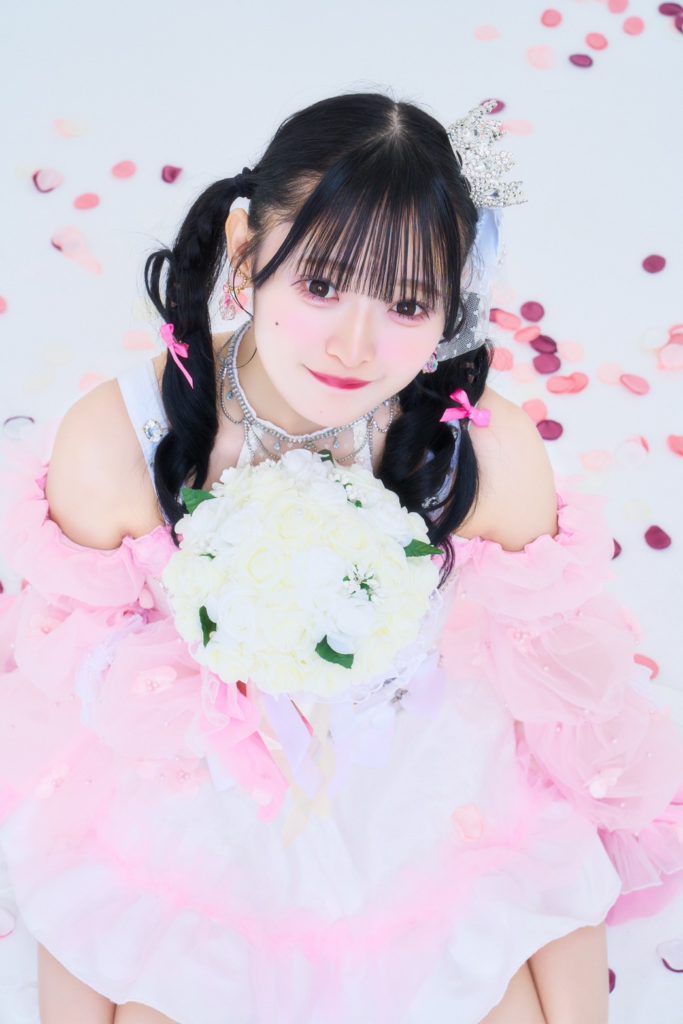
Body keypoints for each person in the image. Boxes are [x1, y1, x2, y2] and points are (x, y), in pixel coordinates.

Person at [0, 90, 682, 1024]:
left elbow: (554, 681)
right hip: (198, 779)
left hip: (416, 771)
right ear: (247, 253)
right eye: (320, 284)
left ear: (452, 305)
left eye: (406, 303)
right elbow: (78, 681)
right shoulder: (120, 440)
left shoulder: (480, 454)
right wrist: (221, 698)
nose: (354, 347)